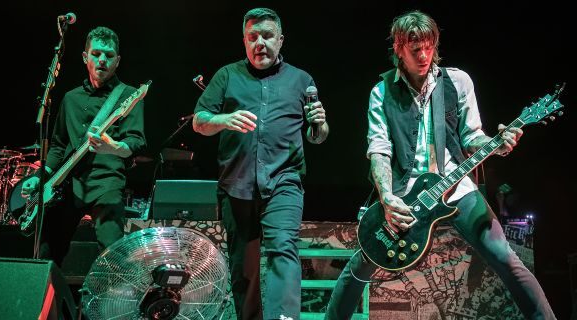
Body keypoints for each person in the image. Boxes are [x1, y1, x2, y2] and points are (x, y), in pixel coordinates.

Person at [325, 10, 555, 320]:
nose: (423, 55)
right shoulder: (380, 92)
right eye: (414, 48)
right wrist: (388, 197)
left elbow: (473, 136)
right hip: (405, 193)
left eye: (429, 46)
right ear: (397, 47)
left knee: (505, 256)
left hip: (456, 187)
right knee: (361, 263)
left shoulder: (458, 81)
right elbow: (379, 148)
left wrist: (496, 146)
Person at [192, 7, 328, 320]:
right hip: (236, 184)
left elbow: (317, 136)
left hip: (284, 181)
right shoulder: (227, 75)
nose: (259, 43)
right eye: (253, 37)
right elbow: (200, 121)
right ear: (244, 40)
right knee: (245, 267)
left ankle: (284, 317)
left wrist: (319, 124)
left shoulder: (301, 80)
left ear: (280, 40)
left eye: (267, 36)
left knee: (282, 247)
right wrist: (224, 119)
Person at [21, 26, 146, 267]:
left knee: (113, 254)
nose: (102, 60)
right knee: (46, 250)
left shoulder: (129, 95)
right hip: (68, 184)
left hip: (106, 182)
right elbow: (58, 146)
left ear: (117, 61)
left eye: (109, 56)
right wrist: (42, 176)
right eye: (97, 54)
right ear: (84, 57)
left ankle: (108, 301)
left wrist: (113, 147)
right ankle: (47, 302)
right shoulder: (70, 98)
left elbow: (136, 142)